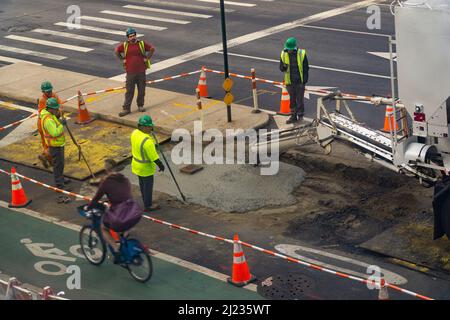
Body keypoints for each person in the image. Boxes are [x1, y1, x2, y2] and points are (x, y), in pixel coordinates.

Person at [89, 159, 141, 263]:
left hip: (120, 213)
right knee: (126, 227)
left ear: (106, 169)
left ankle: (116, 250)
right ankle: (125, 240)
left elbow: (96, 197)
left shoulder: (106, 182)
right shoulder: (125, 179)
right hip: (134, 211)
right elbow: (122, 194)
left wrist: (90, 206)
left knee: (104, 228)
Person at [115, 27, 155, 117]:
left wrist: (147, 58)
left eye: (133, 35)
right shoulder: (125, 45)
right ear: (128, 37)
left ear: (136, 35)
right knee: (129, 91)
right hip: (130, 72)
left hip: (141, 71)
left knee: (141, 90)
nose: (132, 37)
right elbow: (116, 51)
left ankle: (140, 106)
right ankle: (126, 108)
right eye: (130, 36)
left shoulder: (141, 43)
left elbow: (152, 49)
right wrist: (122, 60)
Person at [131, 115, 165, 212]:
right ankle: (148, 205)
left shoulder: (134, 133)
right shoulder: (147, 142)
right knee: (148, 187)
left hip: (136, 165)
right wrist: (161, 165)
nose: (151, 128)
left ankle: (145, 200)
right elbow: (154, 157)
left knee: (142, 184)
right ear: (143, 127)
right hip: (145, 168)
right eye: (149, 126)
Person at [40, 97, 71, 203]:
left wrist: (59, 118)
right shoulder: (48, 120)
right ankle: (59, 185)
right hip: (55, 145)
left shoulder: (50, 114)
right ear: (50, 108)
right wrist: (62, 125)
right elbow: (54, 133)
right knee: (58, 165)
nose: (57, 111)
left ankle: (61, 179)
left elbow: (56, 118)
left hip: (58, 144)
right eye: (55, 109)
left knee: (61, 164)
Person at [279, 37, 309, 124]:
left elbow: (306, 68)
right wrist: (283, 67)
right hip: (289, 82)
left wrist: (304, 81)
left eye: (290, 49)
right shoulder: (283, 54)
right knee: (292, 100)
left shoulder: (301, 54)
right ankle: (293, 116)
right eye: (287, 49)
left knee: (299, 100)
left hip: (299, 82)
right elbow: (281, 67)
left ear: (294, 48)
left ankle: (300, 115)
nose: (288, 51)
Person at [37, 81, 62, 168]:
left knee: (50, 143)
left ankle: (47, 157)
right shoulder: (42, 101)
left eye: (50, 90)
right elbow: (45, 113)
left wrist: (60, 112)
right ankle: (47, 157)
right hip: (44, 124)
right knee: (48, 143)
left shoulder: (54, 95)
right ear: (43, 92)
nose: (49, 93)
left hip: (51, 121)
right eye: (47, 91)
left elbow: (60, 105)